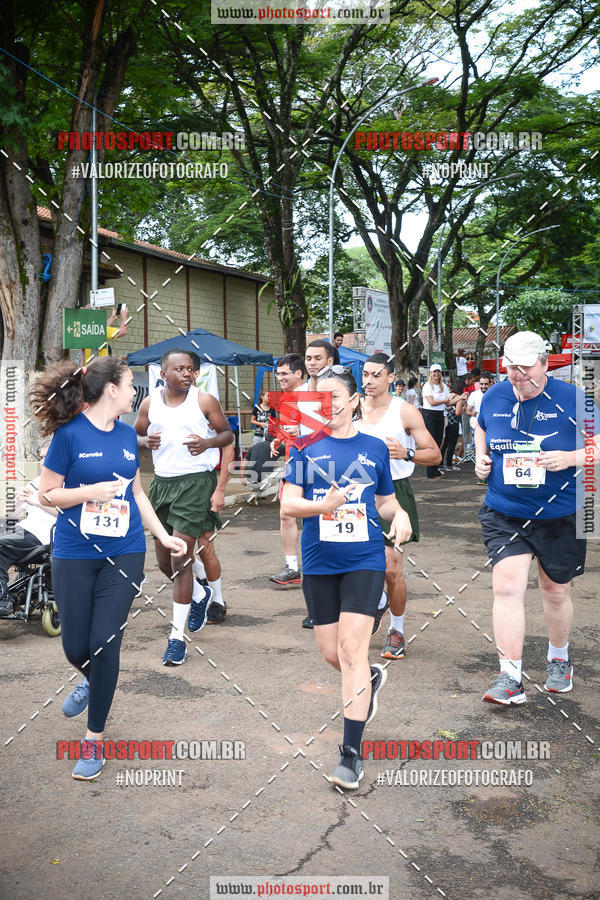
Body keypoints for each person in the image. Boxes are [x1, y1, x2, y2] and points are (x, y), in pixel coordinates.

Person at [32, 357, 186, 780]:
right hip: (74, 552)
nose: (135, 391)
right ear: (111, 390)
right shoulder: (68, 436)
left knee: (104, 642)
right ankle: (92, 679)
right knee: (74, 648)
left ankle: (93, 739)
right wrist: (89, 492)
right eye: (130, 383)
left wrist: (161, 536)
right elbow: (46, 495)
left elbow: (137, 493)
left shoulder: (126, 435)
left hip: (124, 550)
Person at [281, 369, 412, 789]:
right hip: (319, 561)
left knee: (352, 651)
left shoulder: (374, 448)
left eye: (335, 396)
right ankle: (368, 680)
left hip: (364, 559)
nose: (327, 405)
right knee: (332, 653)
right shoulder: (304, 447)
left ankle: (350, 755)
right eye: (319, 399)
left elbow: (385, 501)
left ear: (354, 400)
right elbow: (287, 505)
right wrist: (322, 507)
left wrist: (400, 514)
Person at [475, 331, 599, 705]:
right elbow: (482, 427)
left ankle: (559, 659)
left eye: (526, 368)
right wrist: (481, 457)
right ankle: (509, 677)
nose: (518, 375)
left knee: (555, 592)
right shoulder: (495, 395)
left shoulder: (574, 399)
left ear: (545, 364)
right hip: (505, 511)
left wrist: (570, 458)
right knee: (506, 588)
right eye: (511, 368)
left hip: (560, 513)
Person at [135, 350, 234, 664]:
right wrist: (144, 443)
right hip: (162, 484)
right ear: (164, 373)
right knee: (164, 562)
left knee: (180, 557)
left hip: (195, 484)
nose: (187, 374)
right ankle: (200, 594)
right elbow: (134, 434)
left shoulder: (204, 401)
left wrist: (207, 443)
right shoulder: (150, 403)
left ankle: (176, 639)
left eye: (190, 369)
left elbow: (227, 434)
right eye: (179, 369)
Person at [359, 354, 440, 661]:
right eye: (365, 374)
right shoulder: (353, 407)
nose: (368, 381)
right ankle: (377, 603)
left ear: (391, 378)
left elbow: (434, 454)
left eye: (376, 375)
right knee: (360, 566)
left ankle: (397, 630)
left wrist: (407, 453)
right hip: (358, 492)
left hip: (394, 491)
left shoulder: (404, 410)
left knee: (392, 569)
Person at [0, 445, 57, 617]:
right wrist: (16, 502)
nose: (43, 462)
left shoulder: (67, 483)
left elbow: (67, 514)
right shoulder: (36, 482)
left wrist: (36, 501)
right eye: (41, 457)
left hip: (43, 535)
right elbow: (7, 516)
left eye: (48, 457)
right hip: (24, 529)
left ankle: (3, 598)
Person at [268, 354, 308, 588]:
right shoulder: (285, 399)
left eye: (284, 373)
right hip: (293, 464)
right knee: (286, 513)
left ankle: (323, 566)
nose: (279, 377)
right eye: (278, 373)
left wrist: (302, 432)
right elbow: (289, 429)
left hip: (315, 464)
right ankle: (292, 567)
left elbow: (329, 430)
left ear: (298, 374)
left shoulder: (312, 396)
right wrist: (279, 439)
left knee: (318, 514)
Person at [420, 364, 451, 478]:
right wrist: (446, 399)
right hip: (429, 414)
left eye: (438, 372)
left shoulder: (444, 386)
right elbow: (432, 402)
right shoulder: (427, 386)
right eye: (434, 372)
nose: (436, 374)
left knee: (438, 442)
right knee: (431, 443)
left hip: (440, 414)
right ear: (430, 373)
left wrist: (458, 399)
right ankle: (430, 471)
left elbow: (448, 403)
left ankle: (435, 468)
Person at [467, 374, 493, 481]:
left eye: (486, 384)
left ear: (490, 383)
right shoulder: (474, 394)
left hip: (491, 427)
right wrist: (473, 413)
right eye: (481, 384)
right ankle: (481, 474)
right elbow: (467, 411)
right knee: (479, 450)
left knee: (490, 449)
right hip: (476, 426)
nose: (483, 386)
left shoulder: (494, 394)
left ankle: (488, 474)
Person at [440, 380, 467, 471]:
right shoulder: (459, 398)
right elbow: (458, 413)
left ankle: (440, 464)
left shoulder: (448, 395)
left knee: (444, 444)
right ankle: (449, 464)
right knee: (452, 444)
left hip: (445, 422)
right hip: (453, 423)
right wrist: (464, 407)